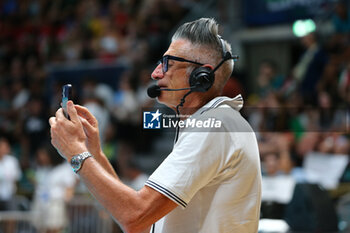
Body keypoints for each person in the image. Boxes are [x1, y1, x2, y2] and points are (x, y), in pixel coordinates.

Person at [49, 18, 261, 233]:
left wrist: (75, 153)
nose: (156, 73)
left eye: (168, 63)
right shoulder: (216, 122)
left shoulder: (216, 126)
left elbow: (134, 218)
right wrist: (93, 153)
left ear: (201, 76)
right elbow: (142, 220)